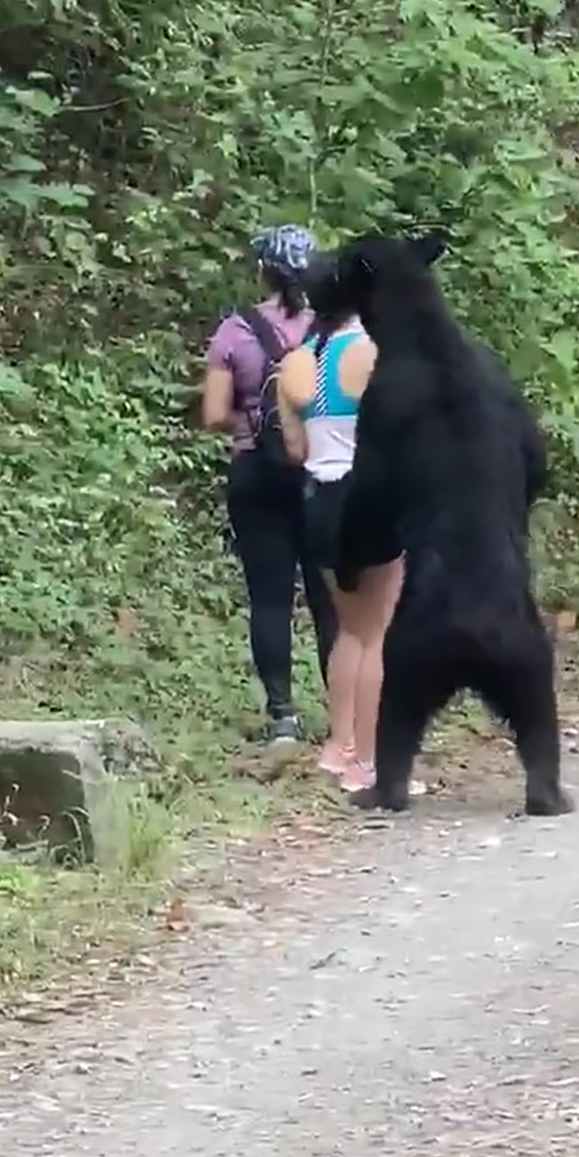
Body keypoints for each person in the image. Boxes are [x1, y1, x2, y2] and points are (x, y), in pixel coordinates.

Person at [201, 225, 336, 742]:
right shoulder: (334, 330)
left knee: (271, 598)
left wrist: (251, 414)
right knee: (329, 597)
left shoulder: (236, 330)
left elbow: (213, 413)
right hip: (323, 470)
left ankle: (283, 715)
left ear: (264, 270)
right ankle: (345, 716)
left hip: (257, 470)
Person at [277, 254, 404, 792]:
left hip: (318, 500)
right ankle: (370, 764)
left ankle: (339, 745)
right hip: (370, 500)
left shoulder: (295, 363)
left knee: (348, 630)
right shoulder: (374, 353)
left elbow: (294, 447)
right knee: (377, 636)